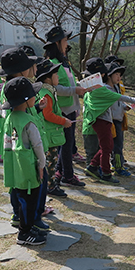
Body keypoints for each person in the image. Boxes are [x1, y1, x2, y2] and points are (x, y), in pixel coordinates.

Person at [1, 77, 48, 247]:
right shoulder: (29, 122)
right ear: (27, 100)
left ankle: (26, 227)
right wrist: (42, 164)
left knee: (22, 199)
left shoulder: (10, 118)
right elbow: (37, 146)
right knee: (30, 201)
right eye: (34, 95)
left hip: (15, 168)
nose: (36, 96)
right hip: (29, 169)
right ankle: (24, 232)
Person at [82, 58, 135, 184]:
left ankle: (92, 167)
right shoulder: (100, 88)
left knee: (106, 147)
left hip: (105, 120)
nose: (119, 77)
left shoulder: (96, 87)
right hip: (102, 120)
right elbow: (117, 97)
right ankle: (106, 173)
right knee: (107, 147)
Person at [45, 25, 87, 187]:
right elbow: (56, 89)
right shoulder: (52, 64)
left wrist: (81, 86)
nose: (67, 43)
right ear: (56, 43)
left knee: (67, 142)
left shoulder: (64, 62)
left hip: (71, 108)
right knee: (67, 143)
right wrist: (74, 89)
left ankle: (60, 171)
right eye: (64, 40)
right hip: (62, 110)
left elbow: (68, 83)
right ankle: (68, 176)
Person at [35, 61, 73, 198]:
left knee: (51, 160)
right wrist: (63, 121)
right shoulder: (46, 93)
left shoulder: (48, 91)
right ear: (47, 78)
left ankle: (50, 185)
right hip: (49, 135)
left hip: (51, 134)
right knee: (50, 161)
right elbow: (48, 114)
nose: (58, 77)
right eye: (55, 74)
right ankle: (50, 186)